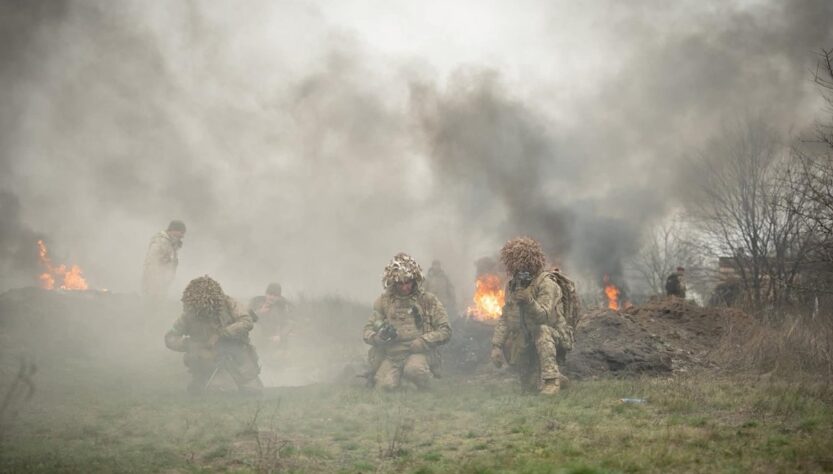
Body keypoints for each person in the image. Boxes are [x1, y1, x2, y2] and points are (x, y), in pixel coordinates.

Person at [490, 237, 568, 395]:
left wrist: (529, 301)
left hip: (553, 336)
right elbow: (506, 317)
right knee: (528, 389)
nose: (521, 271)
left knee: (542, 331)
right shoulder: (513, 286)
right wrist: (496, 346)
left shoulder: (547, 284)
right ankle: (555, 377)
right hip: (525, 338)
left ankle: (551, 380)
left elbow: (544, 317)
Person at [363, 253, 451, 390]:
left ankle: (428, 381)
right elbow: (367, 329)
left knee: (414, 371)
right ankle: (401, 381)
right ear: (393, 282)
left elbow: (445, 330)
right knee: (384, 387)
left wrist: (424, 341)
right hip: (393, 355)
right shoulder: (384, 301)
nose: (405, 287)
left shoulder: (427, 300)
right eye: (400, 283)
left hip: (419, 352)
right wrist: (377, 338)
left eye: (408, 282)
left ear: (415, 279)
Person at [165, 275, 263, 395]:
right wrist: (192, 345)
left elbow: (246, 321)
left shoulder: (230, 304)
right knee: (219, 390)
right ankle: (204, 381)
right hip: (208, 359)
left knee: (252, 390)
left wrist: (221, 334)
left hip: (237, 354)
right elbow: (170, 337)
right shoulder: (189, 315)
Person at [142, 220, 186, 297]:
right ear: (173, 230)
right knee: (152, 303)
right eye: (181, 232)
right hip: (154, 283)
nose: (182, 236)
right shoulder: (160, 241)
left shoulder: (172, 243)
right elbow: (152, 261)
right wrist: (155, 281)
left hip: (163, 282)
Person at [249, 283, 294, 351]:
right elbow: (245, 319)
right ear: (266, 294)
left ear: (279, 297)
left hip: (273, 337)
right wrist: (259, 312)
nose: (272, 297)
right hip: (257, 337)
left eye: (275, 296)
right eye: (270, 294)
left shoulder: (281, 307)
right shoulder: (256, 303)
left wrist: (279, 336)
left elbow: (288, 323)